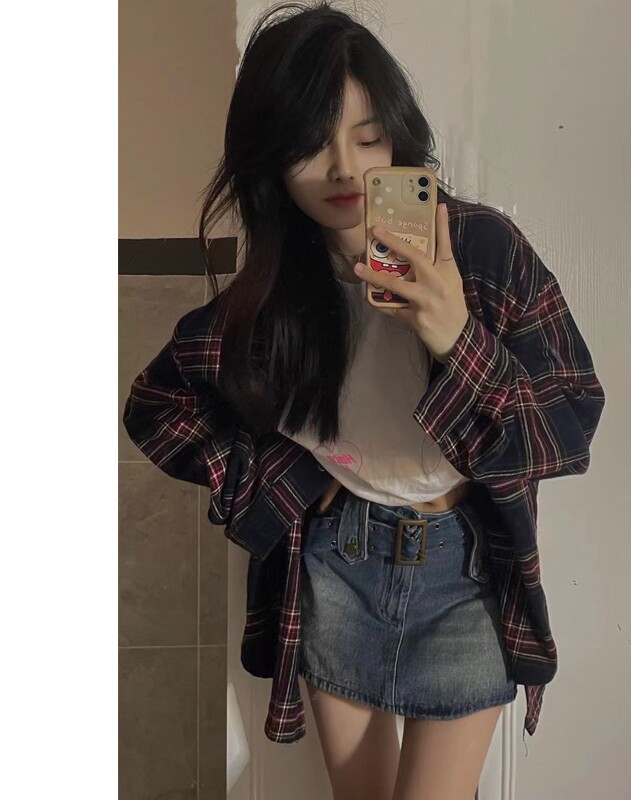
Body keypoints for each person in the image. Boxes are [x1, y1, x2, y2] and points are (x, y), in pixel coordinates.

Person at [122, 2, 606, 798]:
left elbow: (567, 426)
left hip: (466, 567)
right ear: (271, 159)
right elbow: (157, 404)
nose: (345, 169)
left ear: (400, 136)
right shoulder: (271, 293)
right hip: (338, 560)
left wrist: (456, 336)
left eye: (369, 136)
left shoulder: (482, 250)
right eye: (312, 143)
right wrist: (282, 483)